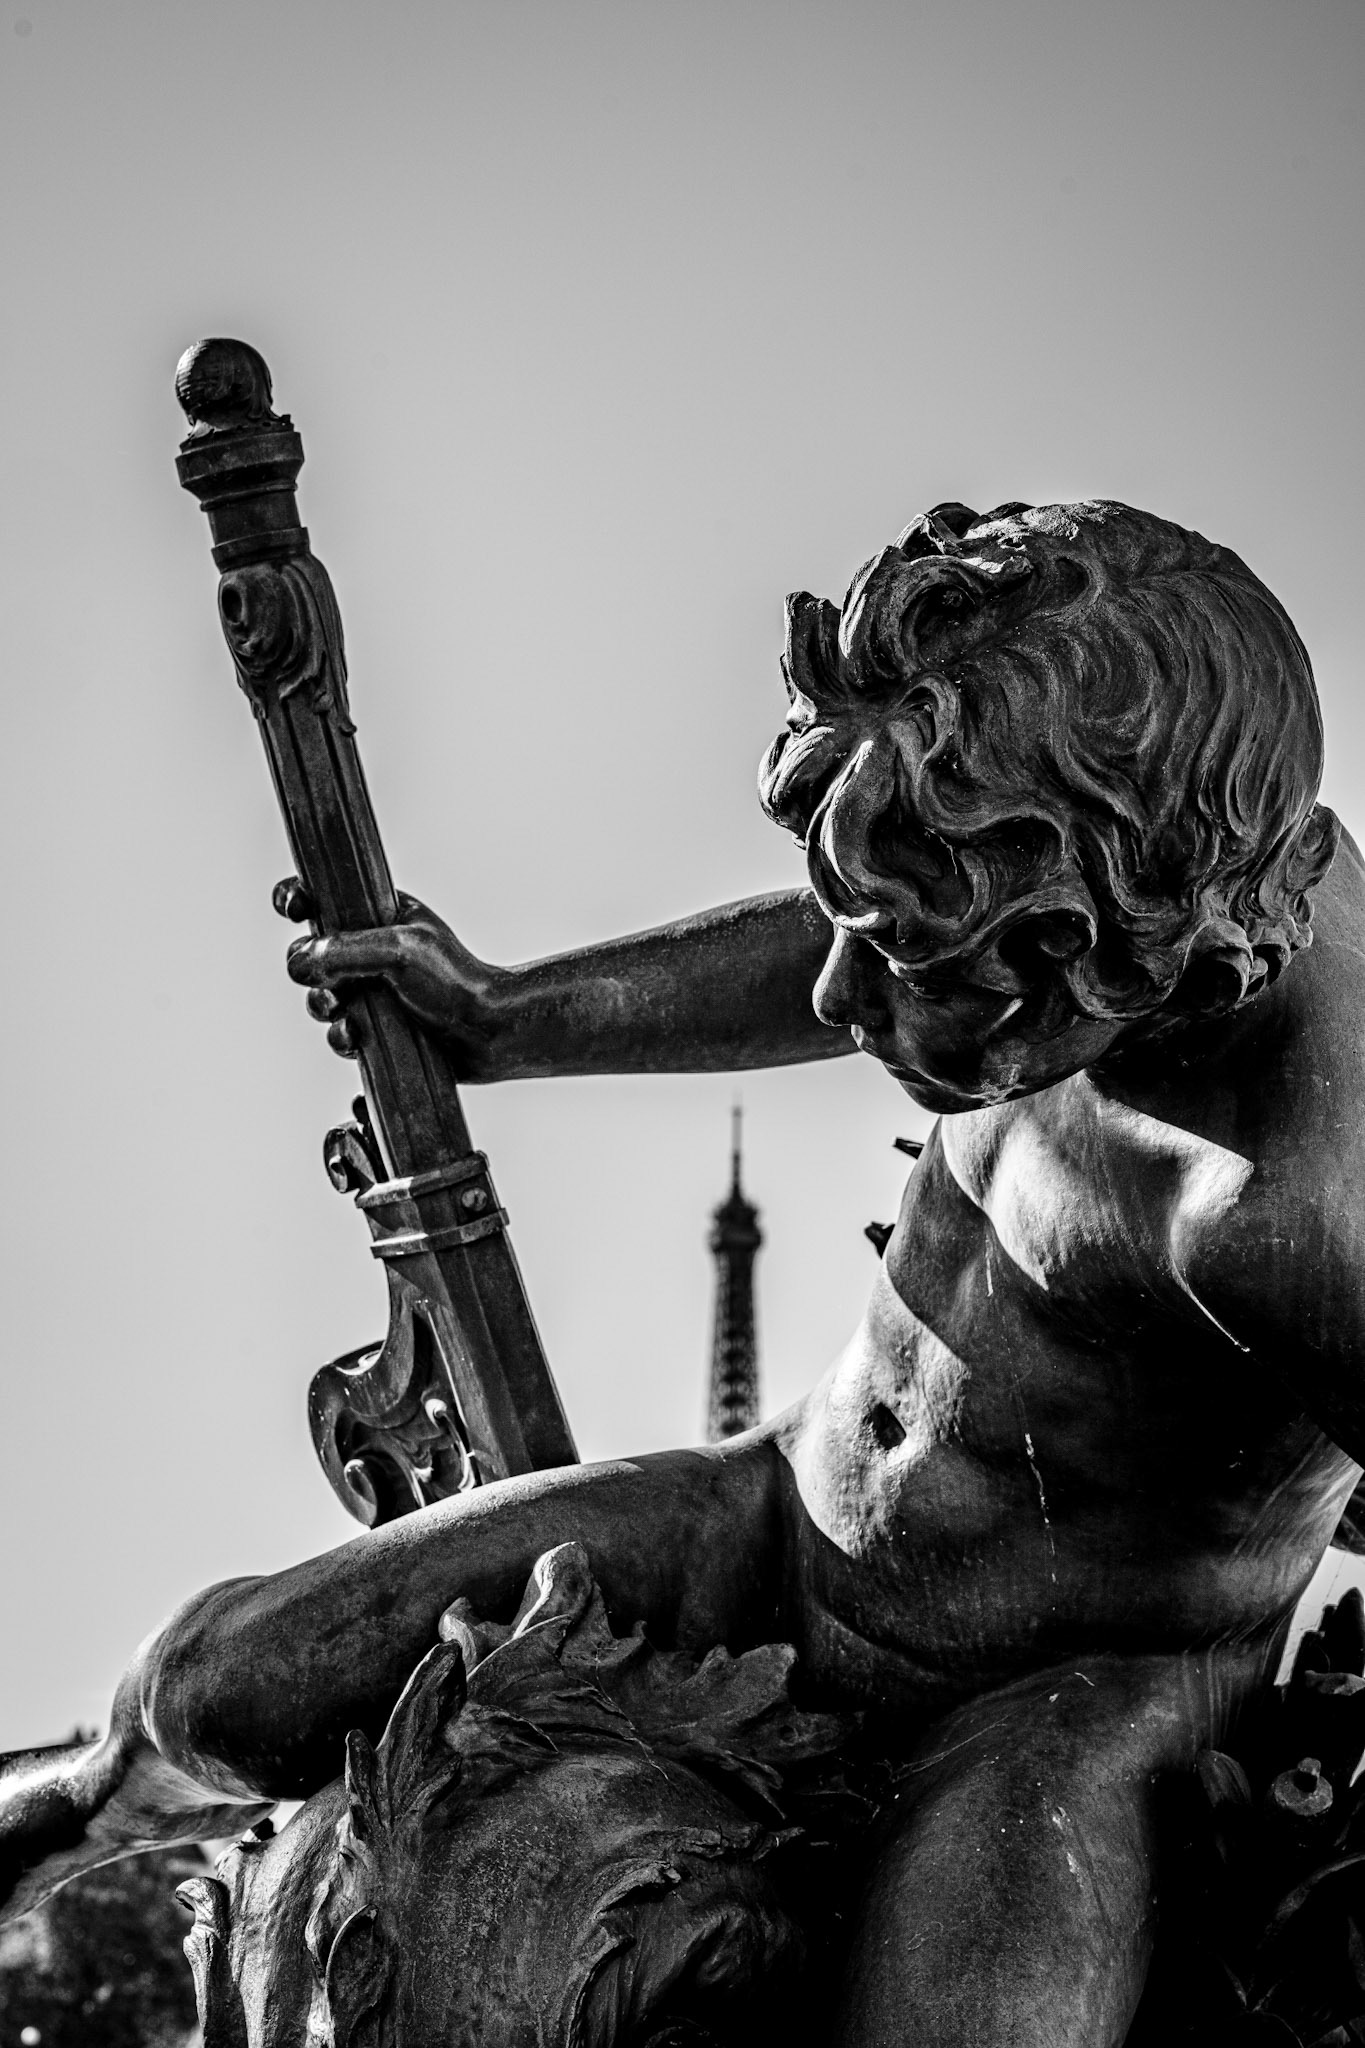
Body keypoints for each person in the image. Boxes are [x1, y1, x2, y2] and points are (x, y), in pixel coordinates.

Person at [2, 499, 1360, 2047]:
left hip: (1061, 1702)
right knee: (213, 1688)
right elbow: (879, 911)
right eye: (854, 919)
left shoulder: (1291, 1221)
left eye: (895, 958)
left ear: (1089, 955)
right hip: (776, 1517)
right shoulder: (1113, 849)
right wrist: (504, 1015)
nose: (835, 993)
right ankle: (68, 1797)